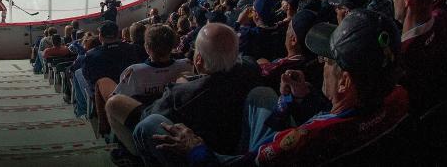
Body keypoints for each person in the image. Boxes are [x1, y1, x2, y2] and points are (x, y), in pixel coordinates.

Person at [138, 10, 408, 167]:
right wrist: (301, 99)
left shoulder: (305, 140)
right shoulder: (397, 98)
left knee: (150, 125)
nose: (323, 65)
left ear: (345, 82)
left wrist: (195, 148)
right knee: (262, 94)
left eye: (327, 61)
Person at [105, 23, 259, 160]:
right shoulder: (250, 70)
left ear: (198, 59)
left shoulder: (177, 93)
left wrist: (181, 85)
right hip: (228, 139)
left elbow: (148, 118)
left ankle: (135, 154)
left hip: (191, 141)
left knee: (113, 102)